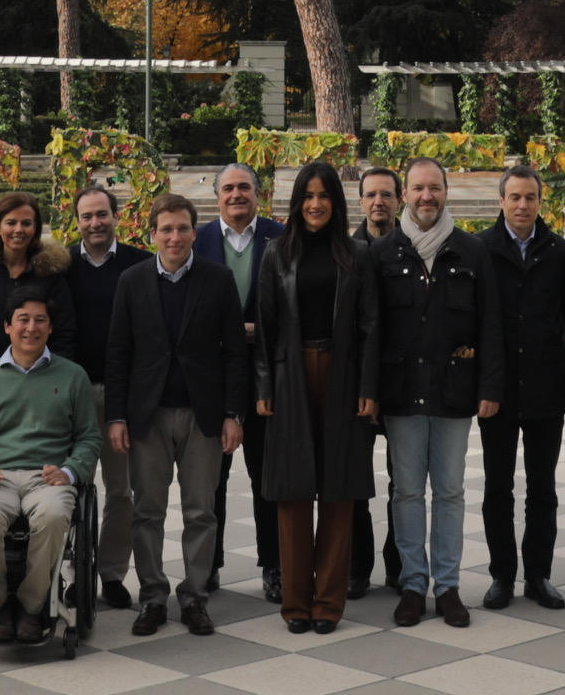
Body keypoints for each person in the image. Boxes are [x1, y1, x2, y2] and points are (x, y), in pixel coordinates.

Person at [102, 192, 251, 637]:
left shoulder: (218, 279)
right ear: (152, 234)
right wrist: (116, 416)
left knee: (201, 512)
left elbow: (234, 354)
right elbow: (118, 354)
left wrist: (233, 414)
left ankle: (193, 597)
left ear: (194, 232)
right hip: (146, 416)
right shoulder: (131, 280)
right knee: (147, 511)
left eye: (183, 228)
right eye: (166, 229)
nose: (174, 236)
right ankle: (151, 597)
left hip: (203, 415)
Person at [369, 158, 504, 628]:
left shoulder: (471, 251)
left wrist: (489, 385)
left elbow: (490, 324)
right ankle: (411, 584)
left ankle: (447, 587)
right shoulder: (382, 254)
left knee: (449, 492)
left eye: (435, 188)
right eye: (418, 188)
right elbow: (371, 331)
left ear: (447, 191)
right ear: (404, 194)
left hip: (454, 391)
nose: (427, 197)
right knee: (406, 492)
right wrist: (369, 392)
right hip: (401, 393)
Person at [251, 159, 378, 634]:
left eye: (324, 196)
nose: (316, 204)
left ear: (336, 203)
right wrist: (264, 386)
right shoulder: (276, 253)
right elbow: (264, 325)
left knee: (340, 490)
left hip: (344, 374)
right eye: (308, 196)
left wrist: (368, 389)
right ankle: (296, 604)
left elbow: (370, 325)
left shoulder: (357, 254)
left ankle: (328, 603)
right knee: (293, 489)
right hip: (291, 378)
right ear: (297, 201)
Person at [0, 287, 98, 645]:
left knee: (53, 515)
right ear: (7, 327)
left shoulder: (73, 376)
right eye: (23, 320)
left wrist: (70, 471)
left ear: (50, 328)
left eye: (40, 320)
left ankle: (32, 606)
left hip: (48, 477)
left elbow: (90, 439)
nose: (31, 328)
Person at [477, 163, 565, 610]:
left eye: (530, 198)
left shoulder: (559, 251)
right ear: (501, 201)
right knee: (498, 487)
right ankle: (502, 575)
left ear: (540, 201)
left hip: (545, 387)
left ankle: (538, 574)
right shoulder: (480, 249)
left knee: (543, 488)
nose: (522, 205)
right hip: (496, 390)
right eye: (514, 197)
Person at [60, 183, 151, 612]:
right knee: (69, 490)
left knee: (121, 491)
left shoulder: (139, 264)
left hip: (122, 398)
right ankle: (70, 575)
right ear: (76, 221)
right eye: (86, 216)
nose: (95, 223)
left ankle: (111, 573)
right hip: (70, 396)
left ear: (117, 216)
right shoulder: (59, 266)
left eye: (102, 214)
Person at [204, 162, 282, 599]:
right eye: (229, 188)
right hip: (214, 380)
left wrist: (259, 331)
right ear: (217, 196)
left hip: (268, 377)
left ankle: (273, 565)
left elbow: (296, 303)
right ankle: (209, 564)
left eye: (244, 187)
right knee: (211, 477)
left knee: (266, 477)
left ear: (258, 193)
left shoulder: (281, 237)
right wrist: (230, 331)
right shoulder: (197, 240)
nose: (237, 194)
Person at [347, 163, 402, 599]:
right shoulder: (345, 252)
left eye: (386, 194)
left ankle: (399, 567)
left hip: (404, 385)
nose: (378, 202)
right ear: (360, 200)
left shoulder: (414, 250)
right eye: (371, 195)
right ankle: (357, 568)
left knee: (403, 484)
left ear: (398, 200)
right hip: (356, 388)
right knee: (356, 484)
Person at [0, 190, 70, 372]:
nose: (18, 230)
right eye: (11, 223)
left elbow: (64, 332)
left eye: (26, 223)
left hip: (38, 376)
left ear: (35, 228)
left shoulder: (50, 274)